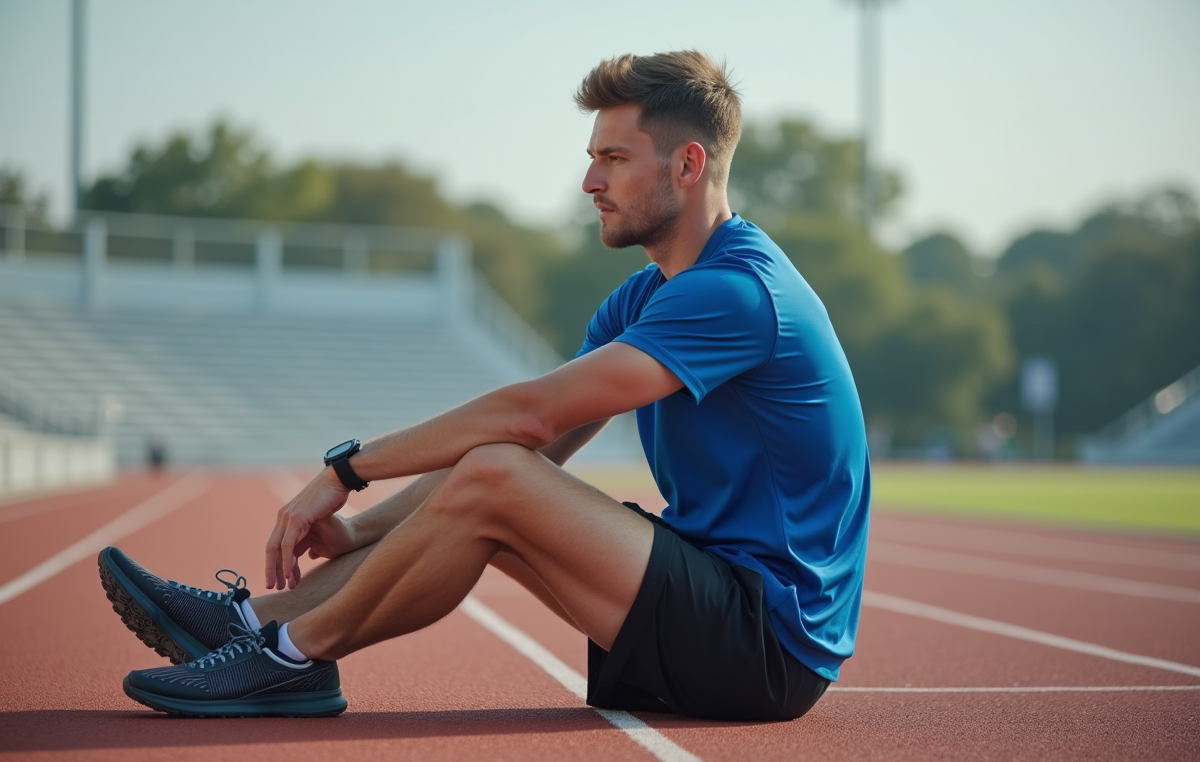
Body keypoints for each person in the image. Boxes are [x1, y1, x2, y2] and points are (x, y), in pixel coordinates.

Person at [98, 50, 870, 721]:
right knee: (495, 476)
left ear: (689, 164)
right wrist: (365, 530)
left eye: (615, 158)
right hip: (716, 598)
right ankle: (252, 621)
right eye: (592, 156)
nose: (589, 180)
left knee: (500, 473)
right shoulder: (646, 296)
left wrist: (346, 472)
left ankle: (289, 657)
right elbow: (540, 439)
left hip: (768, 642)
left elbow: (531, 419)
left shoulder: (737, 292)